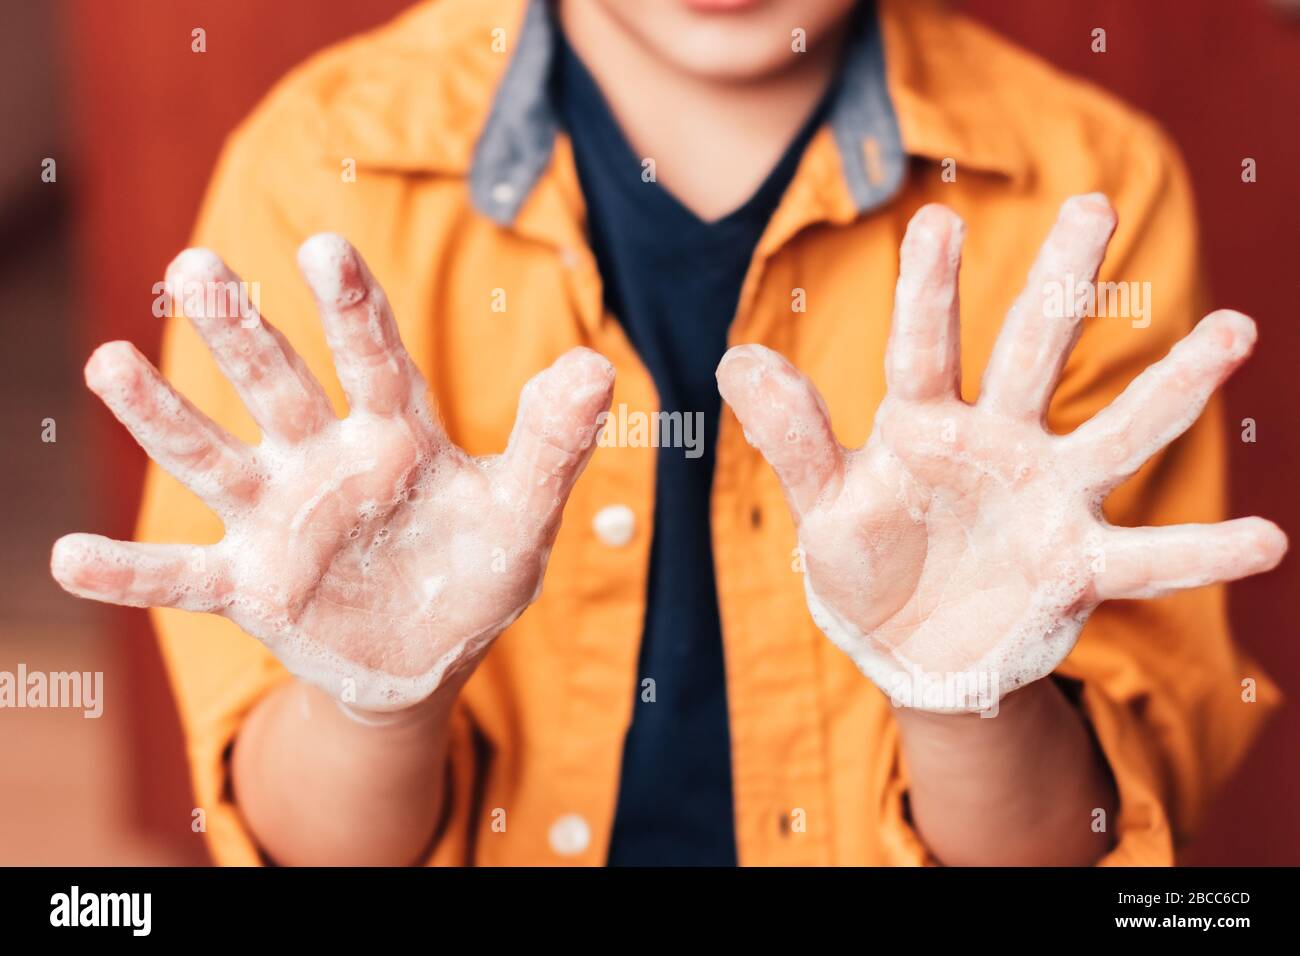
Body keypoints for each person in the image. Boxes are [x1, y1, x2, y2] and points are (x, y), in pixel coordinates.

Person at [51, 0, 1286, 866]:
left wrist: (965, 695)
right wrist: (375, 703)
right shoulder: (319, 159)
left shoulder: (1085, 181)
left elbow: (1061, 846)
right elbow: (317, 849)